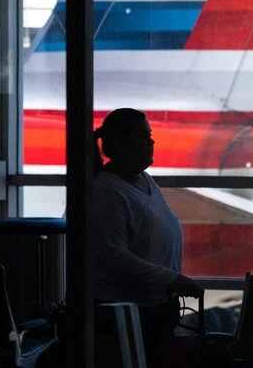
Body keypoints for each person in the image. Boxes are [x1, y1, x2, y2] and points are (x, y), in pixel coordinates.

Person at [90, 108, 203, 368]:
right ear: (118, 144)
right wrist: (173, 278)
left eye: (150, 135)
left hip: (152, 308)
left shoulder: (144, 180)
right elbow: (114, 256)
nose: (151, 142)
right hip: (129, 314)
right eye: (142, 136)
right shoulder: (107, 191)